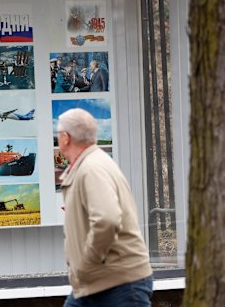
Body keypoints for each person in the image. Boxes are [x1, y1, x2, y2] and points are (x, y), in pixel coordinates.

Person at [56, 108, 153, 307]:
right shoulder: (87, 165)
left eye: (58, 134)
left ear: (65, 138)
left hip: (119, 285)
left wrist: (87, 262)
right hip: (94, 284)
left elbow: (106, 219)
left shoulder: (92, 168)